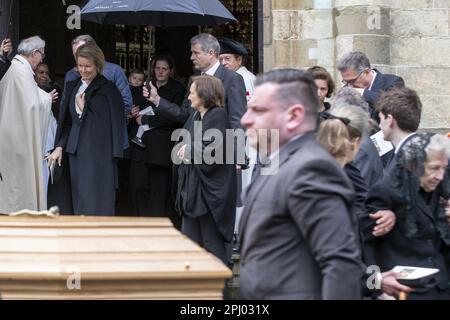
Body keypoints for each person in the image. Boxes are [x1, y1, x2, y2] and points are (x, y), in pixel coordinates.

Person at [239, 69, 363, 299]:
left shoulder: (312, 169)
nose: (245, 119)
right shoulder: (277, 159)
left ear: (294, 116)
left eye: (258, 110)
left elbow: (341, 265)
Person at [363, 133, 450, 300]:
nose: (440, 176)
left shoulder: (440, 187)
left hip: (439, 288)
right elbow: (364, 244)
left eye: (443, 168)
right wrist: (376, 287)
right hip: (402, 290)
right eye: (433, 168)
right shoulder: (387, 190)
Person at [48, 43, 125, 216]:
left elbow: (106, 128)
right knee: (76, 200)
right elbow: (67, 122)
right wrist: (59, 146)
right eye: (80, 66)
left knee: (92, 202)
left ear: (98, 65)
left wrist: (83, 111)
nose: (83, 70)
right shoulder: (72, 85)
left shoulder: (108, 90)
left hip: (98, 156)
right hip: (73, 153)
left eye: (88, 66)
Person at [170, 75, 236, 264]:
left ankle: (216, 292)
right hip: (193, 195)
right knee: (190, 247)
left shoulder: (218, 116)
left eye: (192, 93)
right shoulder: (196, 116)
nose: (189, 97)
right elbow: (179, 146)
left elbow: (213, 151)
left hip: (208, 199)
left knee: (211, 248)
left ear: (204, 94)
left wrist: (188, 150)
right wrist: (186, 150)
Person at [127, 56, 186, 229]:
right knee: (136, 185)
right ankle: (140, 224)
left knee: (158, 191)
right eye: (158, 68)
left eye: (164, 68)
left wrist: (147, 120)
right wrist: (131, 112)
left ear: (170, 71)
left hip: (160, 148)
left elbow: (176, 116)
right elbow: (133, 106)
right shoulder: (144, 86)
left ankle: (156, 229)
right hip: (139, 146)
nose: (160, 71)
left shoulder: (178, 89)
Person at [0, 36, 57, 212]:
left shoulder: (17, 68)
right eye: (42, 54)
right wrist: (47, 98)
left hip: (13, 138)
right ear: (34, 53)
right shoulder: (20, 71)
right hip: (17, 141)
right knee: (17, 187)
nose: (42, 58)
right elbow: (31, 104)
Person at [64, 35, 132, 149]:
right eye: (75, 54)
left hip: (107, 138)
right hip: (78, 140)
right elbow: (66, 109)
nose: (79, 57)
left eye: (83, 51)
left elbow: (125, 104)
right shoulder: (70, 76)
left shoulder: (114, 71)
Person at [338, 51, 405, 123]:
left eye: (352, 81)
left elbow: (393, 107)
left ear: (366, 72)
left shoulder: (393, 82)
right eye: (346, 82)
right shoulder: (345, 90)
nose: (349, 86)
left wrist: (362, 92)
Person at [218, 37, 256, 102]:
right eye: (220, 59)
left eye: (227, 58)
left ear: (239, 60)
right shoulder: (229, 77)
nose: (223, 63)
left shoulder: (246, 79)